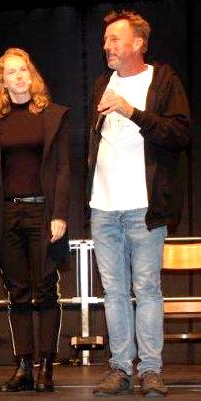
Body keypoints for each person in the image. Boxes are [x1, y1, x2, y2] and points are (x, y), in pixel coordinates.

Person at [88, 10, 191, 398]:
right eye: (105, 40)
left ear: (138, 43)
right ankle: (119, 368)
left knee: (146, 288)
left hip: (144, 207)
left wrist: (131, 111)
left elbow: (179, 133)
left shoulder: (162, 80)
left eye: (114, 39)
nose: (107, 46)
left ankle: (150, 370)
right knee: (113, 291)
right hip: (103, 206)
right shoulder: (103, 83)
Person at [0, 48, 70, 393]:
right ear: (1, 81)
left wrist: (59, 213)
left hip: (42, 212)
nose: (18, 76)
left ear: (32, 74)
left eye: (23, 70)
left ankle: (46, 365)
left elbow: (63, 168)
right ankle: (23, 367)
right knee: (16, 292)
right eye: (11, 72)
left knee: (45, 289)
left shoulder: (52, 116)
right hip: (7, 214)